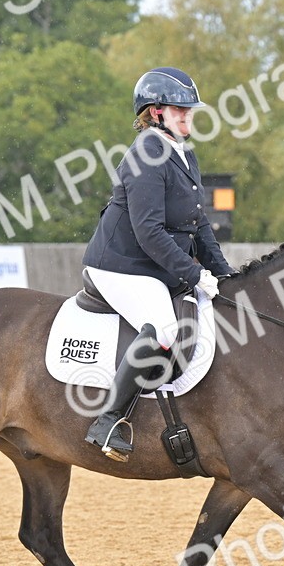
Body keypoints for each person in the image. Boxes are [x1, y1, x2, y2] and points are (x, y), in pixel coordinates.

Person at [81, 67, 236, 460]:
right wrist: (195, 274)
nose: (188, 116)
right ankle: (108, 419)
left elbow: (199, 222)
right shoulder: (146, 155)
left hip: (153, 265)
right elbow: (149, 232)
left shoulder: (184, 153)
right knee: (164, 329)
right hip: (120, 265)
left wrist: (224, 272)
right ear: (155, 113)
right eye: (179, 109)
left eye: (190, 110)